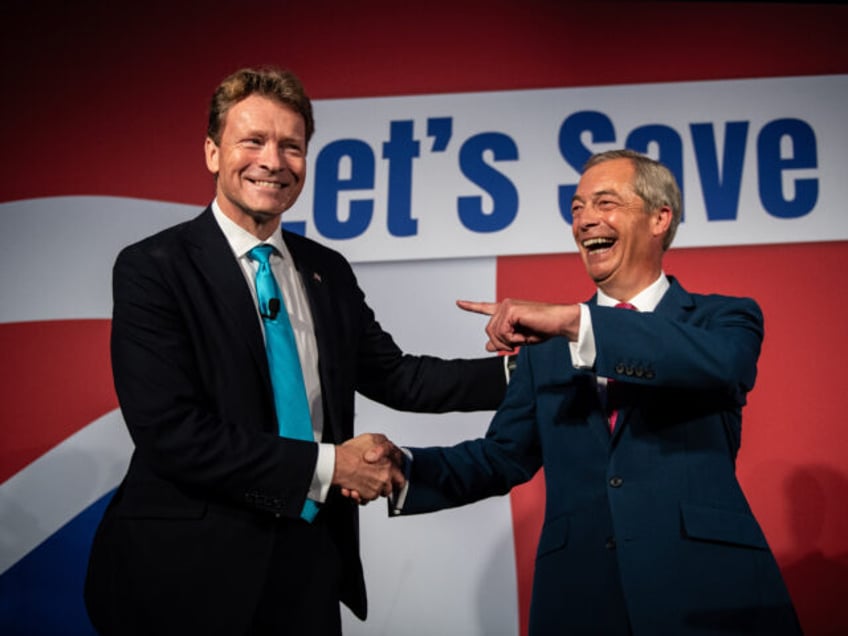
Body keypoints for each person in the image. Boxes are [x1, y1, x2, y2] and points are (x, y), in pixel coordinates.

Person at [83, 67, 509, 636]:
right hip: (183, 573)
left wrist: (527, 370)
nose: (273, 161)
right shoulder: (153, 269)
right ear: (213, 152)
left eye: (292, 146)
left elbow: (398, 377)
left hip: (305, 565)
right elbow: (172, 433)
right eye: (252, 141)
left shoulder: (324, 270)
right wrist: (334, 466)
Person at [388, 150, 801, 634]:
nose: (585, 221)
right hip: (581, 599)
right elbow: (502, 457)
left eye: (604, 203)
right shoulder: (546, 351)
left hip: (710, 594)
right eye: (576, 209)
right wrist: (400, 467)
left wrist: (575, 321)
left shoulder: (722, 319)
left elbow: (722, 366)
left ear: (659, 218)